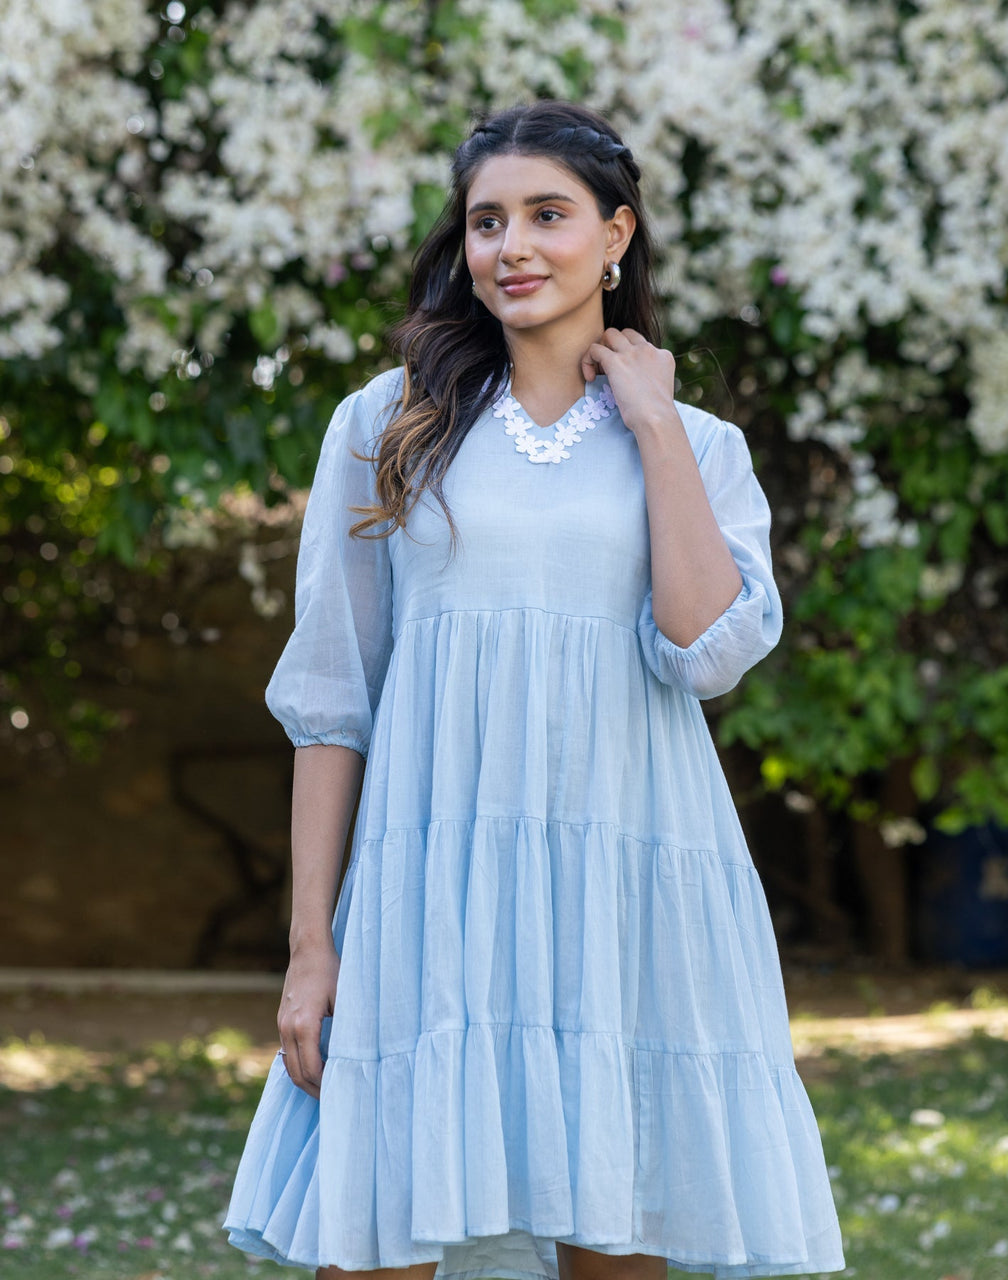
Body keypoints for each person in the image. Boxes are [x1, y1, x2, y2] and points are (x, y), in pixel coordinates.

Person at [223, 100, 845, 1280]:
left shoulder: (700, 444)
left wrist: (652, 422)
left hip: (625, 882)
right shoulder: (386, 425)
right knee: (370, 1235)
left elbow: (703, 649)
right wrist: (311, 945)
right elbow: (329, 702)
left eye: (546, 216)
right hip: (426, 885)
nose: (511, 247)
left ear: (616, 235)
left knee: (611, 1228)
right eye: (486, 221)